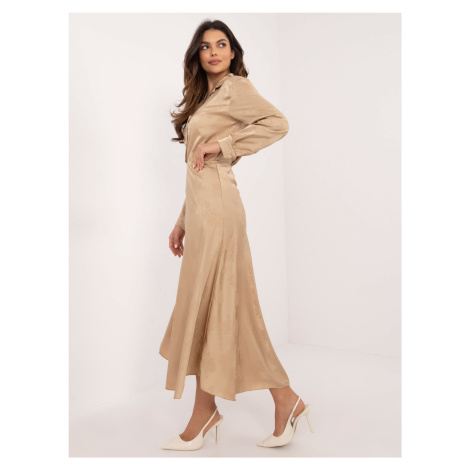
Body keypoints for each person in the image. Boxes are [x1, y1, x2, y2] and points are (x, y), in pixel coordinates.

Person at [159, 20, 313, 451]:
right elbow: (196, 171)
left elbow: (278, 123)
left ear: (232, 52)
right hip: (203, 212)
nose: (213, 51)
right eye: (205, 46)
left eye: (221, 44)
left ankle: (212, 413)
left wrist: (223, 145)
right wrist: (182, 221)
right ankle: (264, 403)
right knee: (213, 307)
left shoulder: (236, 88)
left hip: (221, 212)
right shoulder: (204, 98)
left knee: (221, 304)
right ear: (197, 54)